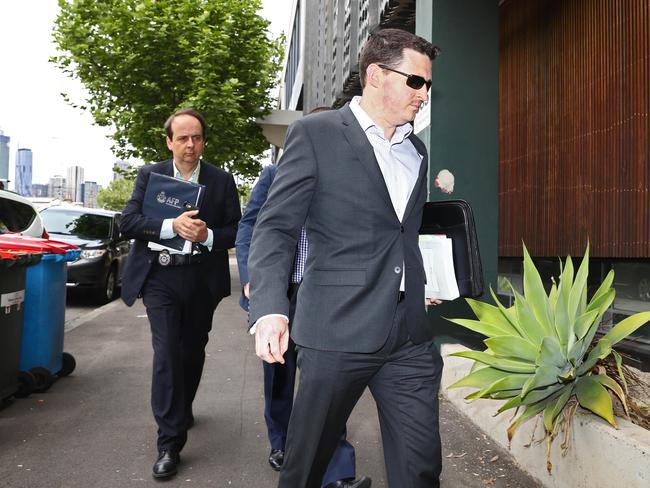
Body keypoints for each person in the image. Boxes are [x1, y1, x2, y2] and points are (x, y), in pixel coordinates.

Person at [247, 28, 444, 487]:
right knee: (307, 465)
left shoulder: (416, 151)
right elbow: (276, 226)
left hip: (408, 336)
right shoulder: (316, 134)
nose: (425, 94)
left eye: (429, 84)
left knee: (420, 467)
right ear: (376, 75)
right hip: (336, 329)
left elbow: (403, 235)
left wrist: (426, 281)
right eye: (416, 82)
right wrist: (270, 308)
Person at [120, 108, 240, 480]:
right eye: (183, 138)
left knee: (191, 351)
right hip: (160, 278)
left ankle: (182, 407)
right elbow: (129, 222)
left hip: (201, 279)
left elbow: (238, 229)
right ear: (169, 141)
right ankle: (169, 442)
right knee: (167, 352)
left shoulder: (221, 181)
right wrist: (171, 225)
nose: (191, 145)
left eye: (197, 137)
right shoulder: (150, 175)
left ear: (203, 140)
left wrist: (208, 236)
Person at [236, 164, 369, 488]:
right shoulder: (275, 175)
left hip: (330, 297)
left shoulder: (350, 175)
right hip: (285, 293)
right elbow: (250, 227)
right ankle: (282, 442)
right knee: (279, 376)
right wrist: (253, 279)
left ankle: (336, 470)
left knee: (330, 381)